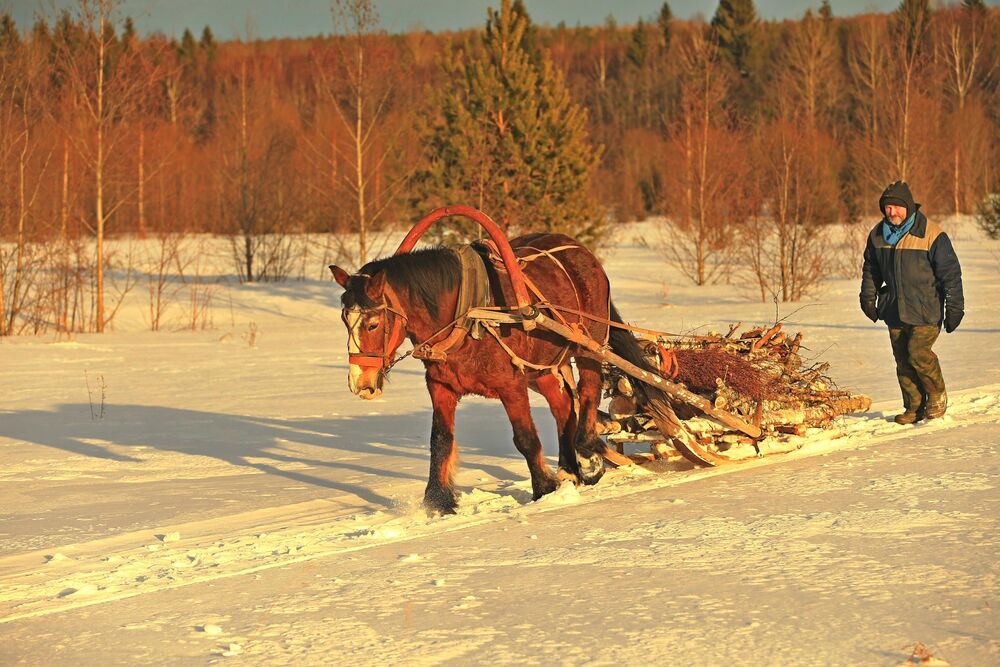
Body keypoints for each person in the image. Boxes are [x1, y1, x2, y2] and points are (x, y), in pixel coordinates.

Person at [860, 181, 964, 424]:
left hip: (925, 308)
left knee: (918, 354)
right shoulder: (877, 235)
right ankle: (914, 406)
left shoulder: (931, 233)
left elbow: (951, 274)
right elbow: (871, 269)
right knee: (903, 361)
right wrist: (867, 297)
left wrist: (955, 307)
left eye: (897, 207)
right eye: (887, 207)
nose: (892, 212)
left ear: (908, 206)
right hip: (894, 308)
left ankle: (937, 396)